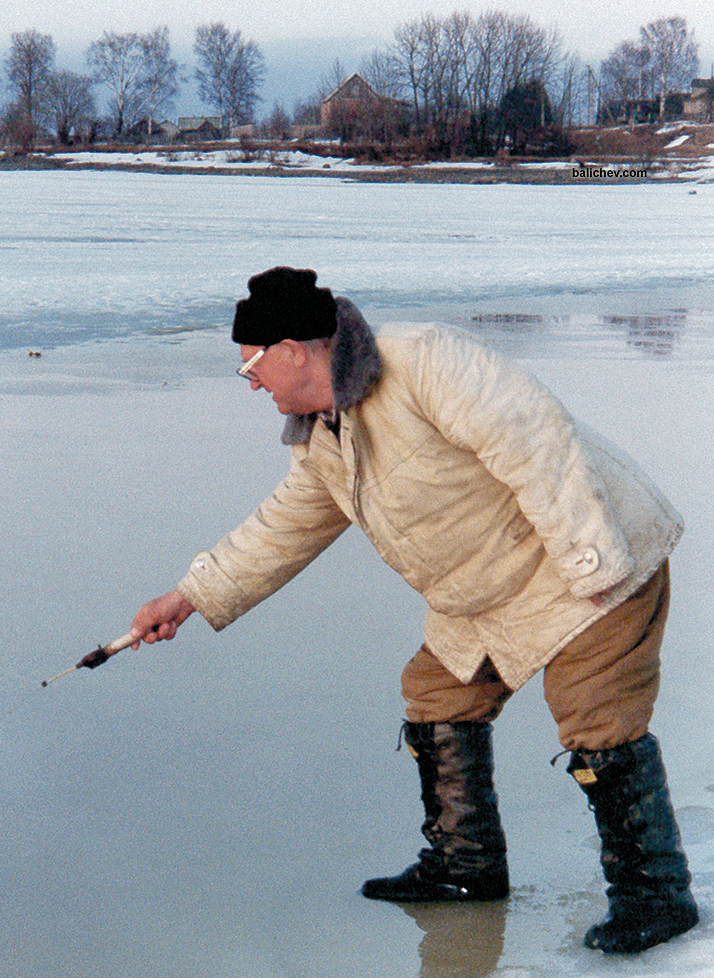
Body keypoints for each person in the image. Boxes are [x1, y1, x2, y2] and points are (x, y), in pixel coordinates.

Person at [130, 266, 698, 955]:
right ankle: (466, 867)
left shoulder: (423, 360)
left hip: (587, 555)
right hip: (484, 590)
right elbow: (282, 529)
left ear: (291, 349)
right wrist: (188, 598)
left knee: (596, 717)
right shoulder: (322, 437)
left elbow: (533, 438)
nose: (252, 384)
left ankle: (655, 896)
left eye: (250, 367)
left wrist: (589, 562)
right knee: (436, 695)